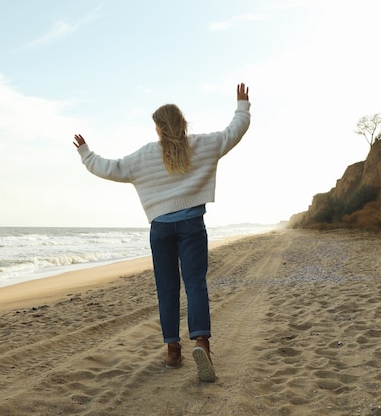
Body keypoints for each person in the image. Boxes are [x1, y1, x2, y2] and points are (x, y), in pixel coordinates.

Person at [73, 83, 250, 382]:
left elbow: (110, 168)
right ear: (183, 123)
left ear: (158, 129)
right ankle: (202, 344)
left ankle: (172, 351)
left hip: (161, 229)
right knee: (195, 285)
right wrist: (242, 105)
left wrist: (85, 153)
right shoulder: (204, 145)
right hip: (193, 224)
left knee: (167, 290)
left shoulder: (142, 157)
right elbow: (235, 130)